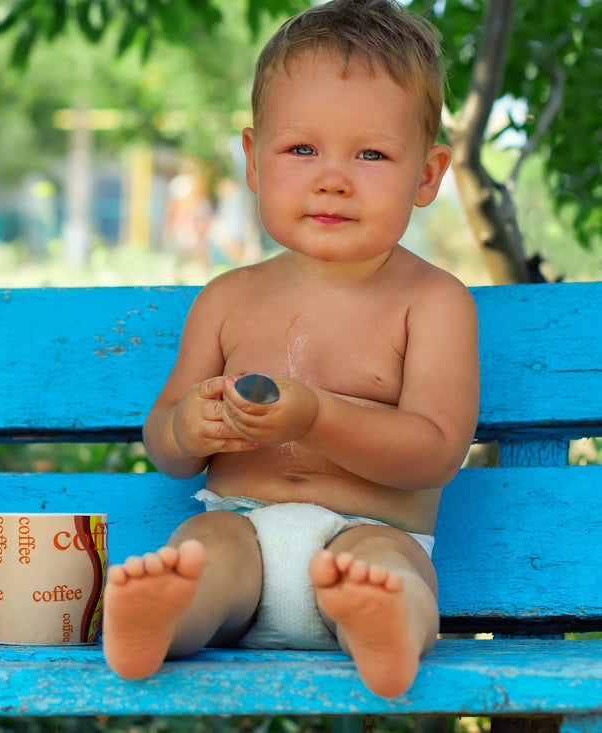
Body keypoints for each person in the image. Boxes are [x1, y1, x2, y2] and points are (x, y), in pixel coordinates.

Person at [101, 0, 479, 699]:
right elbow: (165, 442)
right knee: (204, 554)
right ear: (252, 159)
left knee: (391, 568)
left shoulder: (433, 302)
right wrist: (188, 424)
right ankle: (162, 620)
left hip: (371, 532)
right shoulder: (226, 297)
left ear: (426, 176)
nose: (331, 177)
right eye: (302, 149)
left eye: (370, 153)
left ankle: (383, 623)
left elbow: (435, 451)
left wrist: (315, 418)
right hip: (241, 529)